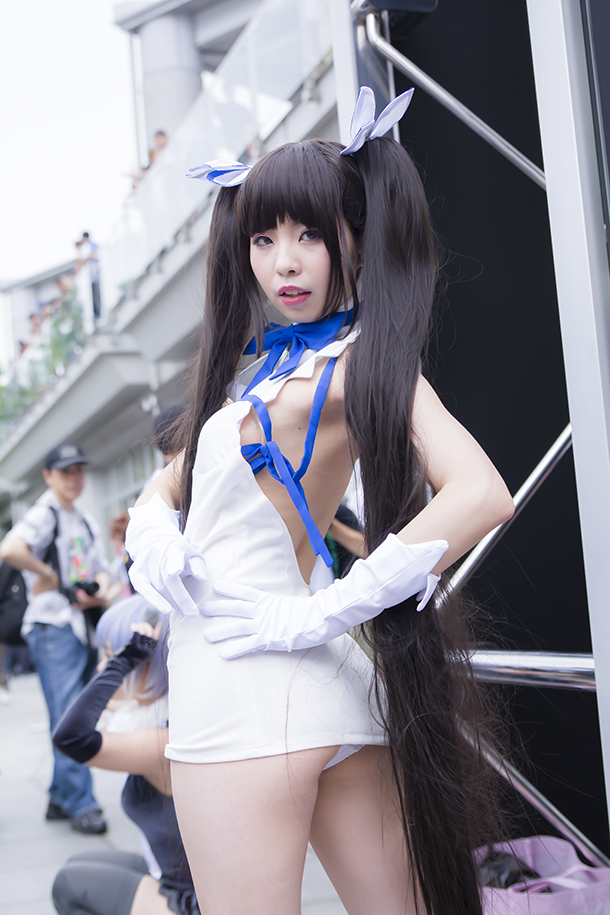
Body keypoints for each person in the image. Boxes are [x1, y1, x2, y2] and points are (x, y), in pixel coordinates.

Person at [126, 87, 515, 915]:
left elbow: (482, 492)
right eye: (263, 238)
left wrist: (323, 610)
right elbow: (168, 482)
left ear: (354, 238)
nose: (285, 262)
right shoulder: (266, 372)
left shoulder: (353, 361)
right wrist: (152, 532)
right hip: (319, 688)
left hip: (241, 689)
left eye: (309, 234)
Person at [52, 599, 199, 915]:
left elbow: (70, 737)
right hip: (177, 874)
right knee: (78, 862)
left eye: (110, 655)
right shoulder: (162, 716)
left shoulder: (164, 741)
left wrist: (125, 659)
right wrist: (128, 660)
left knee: (68, 884)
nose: (102, 667)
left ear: (148, 662)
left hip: (194, 899)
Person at [0, 443, 111, 833]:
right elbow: (10, 548)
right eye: (66, 471)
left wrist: (98, 590)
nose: (74, 478)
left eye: (79, 470)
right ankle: (81, 802)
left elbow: (100, 570)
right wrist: (46, 576)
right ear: (48, 476)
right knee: (69, 714)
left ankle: (60, 797)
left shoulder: (83, 519)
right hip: (52, 627)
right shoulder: (44, 513)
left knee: (74, 712)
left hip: (78, 624)